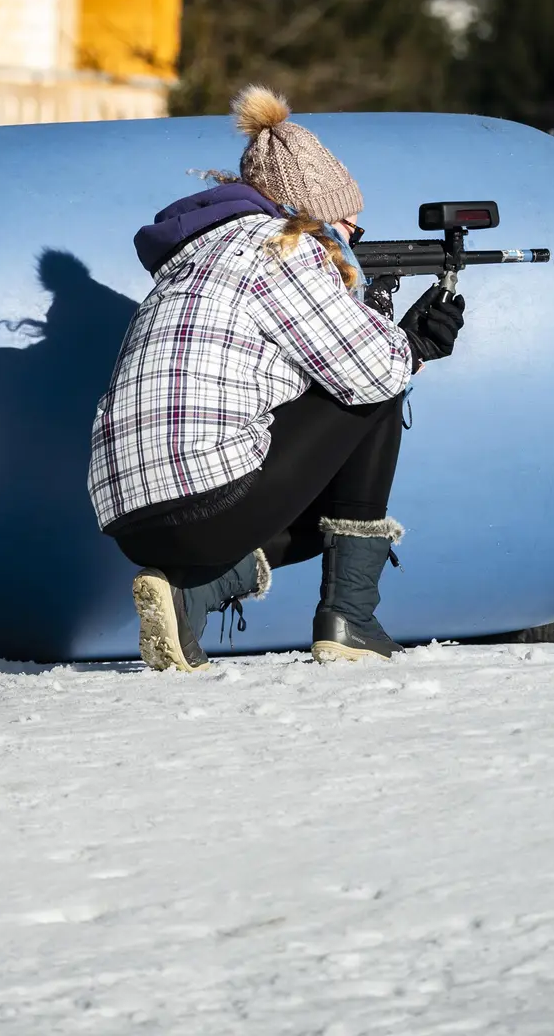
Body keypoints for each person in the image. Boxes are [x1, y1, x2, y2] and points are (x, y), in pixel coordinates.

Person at [88, 87, 464, 671]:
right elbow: (372, 371)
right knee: (379, 391)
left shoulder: (199, 254)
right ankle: (350, 620)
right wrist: (413, 344)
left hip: (130, 519)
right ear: (311, 214)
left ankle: (191, 593)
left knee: (328, 503)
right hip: (208, 501)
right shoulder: (281, 248)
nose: (352, 243)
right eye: (348, 228)